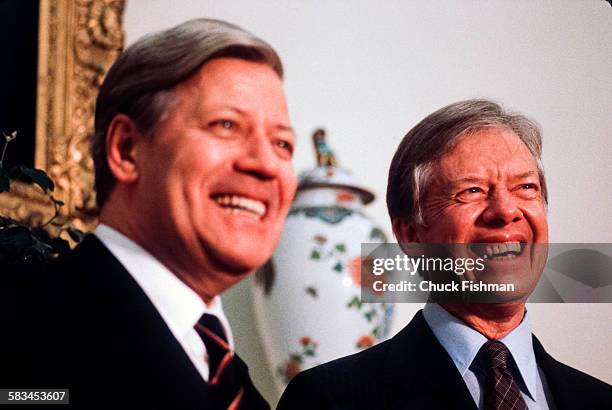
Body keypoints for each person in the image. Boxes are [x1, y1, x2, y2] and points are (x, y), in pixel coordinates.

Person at [1, 18, 296, 409]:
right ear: (126, 149)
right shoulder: (17, 328)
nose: (265, 164)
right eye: (226, 125)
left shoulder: (243, 394)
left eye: (282, 144)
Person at [278, 99, 612, 409]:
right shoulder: (329, 399)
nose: (506, 210)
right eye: (472, 191)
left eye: (525, 187)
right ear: (410, 234)